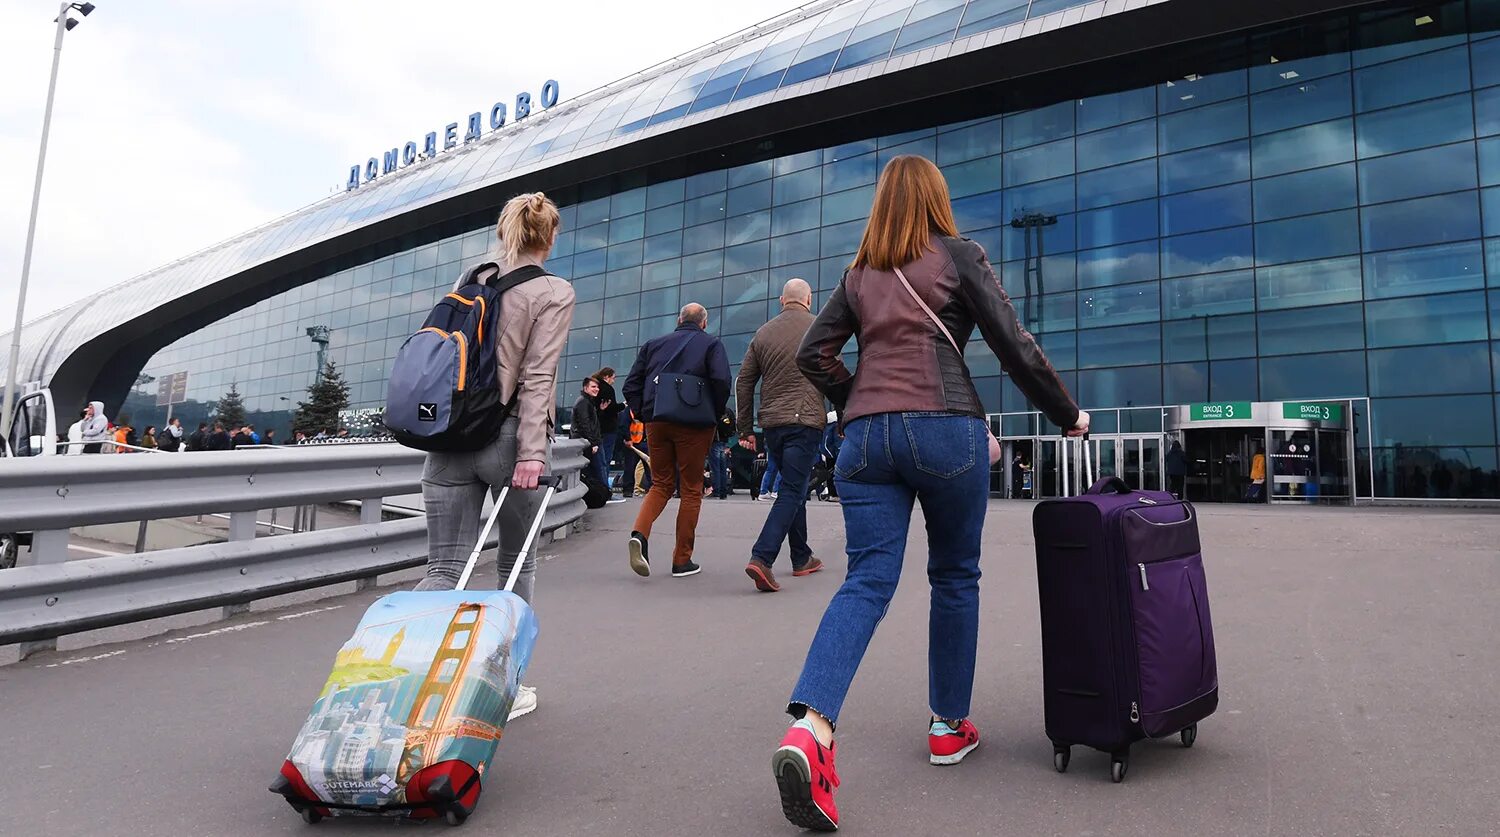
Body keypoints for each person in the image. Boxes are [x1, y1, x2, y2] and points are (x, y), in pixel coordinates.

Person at [773, 155, 1087, 831]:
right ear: (936, 199)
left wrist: (859, 399)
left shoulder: (859, 273)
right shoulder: (958, 255)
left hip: (864, 443)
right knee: (953, 575)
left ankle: (811, 727)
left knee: (866, 582)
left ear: (883, 203)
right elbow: (1014, 343)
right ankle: (948, 725)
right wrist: (1068, 413)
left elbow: (812, 355)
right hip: (947, 431)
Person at [413, 191, 574, 724]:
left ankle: (407, 673)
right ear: (550, 238)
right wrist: (533, 452)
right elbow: (537, 377)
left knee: (444, 567)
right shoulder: (553, 291)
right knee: (514, 563)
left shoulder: (472, 278)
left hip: (450, 436)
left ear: (506, 231)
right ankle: (505, 685)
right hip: (507, 440)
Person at [622, 302, 731, 579]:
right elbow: (721, 381)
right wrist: (713, 413)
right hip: (694, 424)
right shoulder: (711, 344)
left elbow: (630, 384)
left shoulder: (653, 344)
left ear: (678, 320)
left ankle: (639, 534)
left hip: (657, 421)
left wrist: (646, 413)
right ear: (703, 323)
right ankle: (682, 560)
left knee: (660, 484)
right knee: (692, 488)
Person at [738, 277, 827, 592]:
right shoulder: (819, 327)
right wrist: (845, 415)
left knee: (795, 485)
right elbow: (835, 372)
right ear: (809, 299)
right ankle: (762, 557)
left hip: (773, 426)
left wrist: (745, 428)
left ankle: (802, 557)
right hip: (805, 421)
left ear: (781, 300)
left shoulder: (763, 332)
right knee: (791, 489)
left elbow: (744, 381)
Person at [592, 368, 626, 499]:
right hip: (608, 429)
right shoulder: (607, 389)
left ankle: (599, 489)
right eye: (613, 378)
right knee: (605, 459)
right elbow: (611, 409)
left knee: (599, 460)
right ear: (607, 377)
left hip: (598, 428)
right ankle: (605, 489)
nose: (614, 380)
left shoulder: (597, 388)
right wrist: (623, 406)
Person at [570, 378, 605, 483]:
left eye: (597, 387)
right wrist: (594, 442)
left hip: (588, 442)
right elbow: (585, 424)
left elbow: (590, 422)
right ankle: (605, 494)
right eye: (593, 387)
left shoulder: (587, 401)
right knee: (598, 469)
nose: (597, 389)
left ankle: (602, 493)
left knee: (596, 469)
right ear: (585, 388)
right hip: (588, 443)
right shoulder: (583, 402)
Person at [711, 407, 735, 499]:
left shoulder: (715, 410)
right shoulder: (728, 411)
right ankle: (723, 491)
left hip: (715, 440)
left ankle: (717, 491)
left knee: (715, 468)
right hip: (724, 441)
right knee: (722, 468)